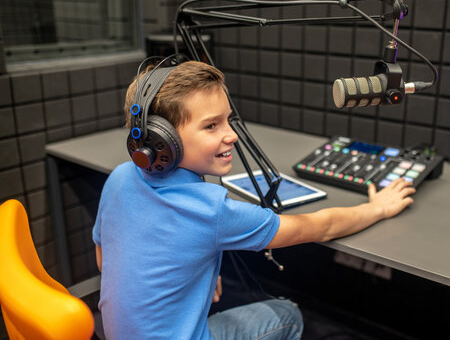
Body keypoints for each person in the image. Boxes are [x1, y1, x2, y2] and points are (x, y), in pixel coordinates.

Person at [92, 60, 415, 340]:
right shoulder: (213, 211)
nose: (231, 134)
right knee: (286, 314)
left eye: (228, 119)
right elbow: (322, 226)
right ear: (162, 139)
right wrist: (376, 208)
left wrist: (191, 276)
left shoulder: (120, 177)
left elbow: (107, 258)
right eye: (211, 126)